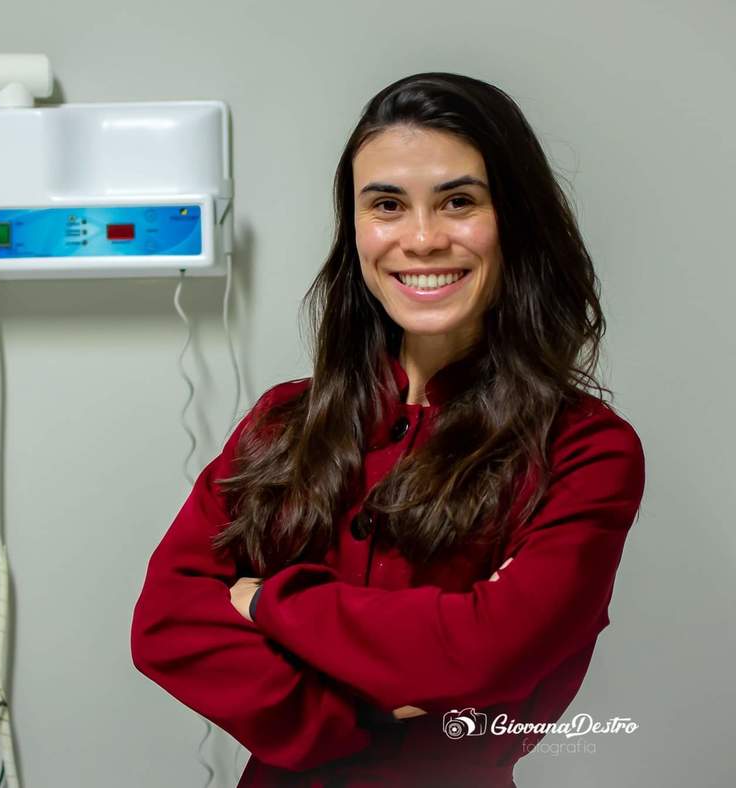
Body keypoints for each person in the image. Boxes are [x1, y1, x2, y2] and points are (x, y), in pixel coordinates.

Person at [130, 72, 646, 788]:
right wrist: (358, 714)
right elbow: (166, 619)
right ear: (356, 231)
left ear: (515, 219)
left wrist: (265, 600)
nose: (423, 239)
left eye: (459, 201)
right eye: (387, 205)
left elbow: (488, 653)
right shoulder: (282, 421)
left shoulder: (586, 450)